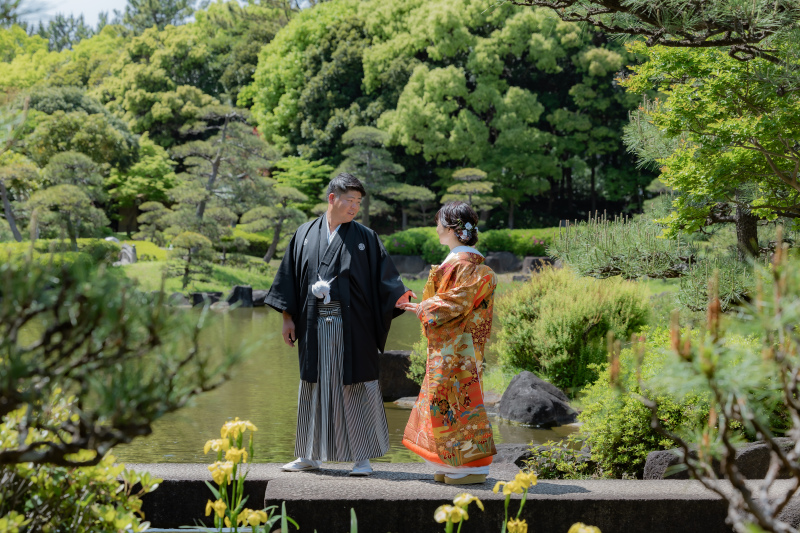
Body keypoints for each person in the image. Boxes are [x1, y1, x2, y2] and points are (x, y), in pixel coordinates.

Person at [265, 172, 415, 476]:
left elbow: (386, 280)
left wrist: (402, 297)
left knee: (355, 386)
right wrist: (286, 319)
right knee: (313, 386)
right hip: (313, 325)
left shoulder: (365, 238)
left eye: (358, 202)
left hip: (353, 327)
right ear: (332, 198)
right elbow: (289, 281)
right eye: (350, 200)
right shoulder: (304, 234)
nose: (354, 207)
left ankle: (362, 458)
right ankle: (309, 455)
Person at [396, 201, 497, 484]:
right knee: (448, 401)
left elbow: (458, 301)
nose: (436, 227)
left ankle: (469, 467)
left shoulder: (464, 263)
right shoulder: (466, 262)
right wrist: (426, 305)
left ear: (452, 228)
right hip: (457, 344)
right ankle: (450, 463)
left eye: (439, 222)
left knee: (453, 402)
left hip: (456, 346)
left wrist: (424, 307)